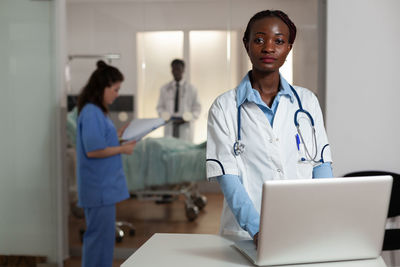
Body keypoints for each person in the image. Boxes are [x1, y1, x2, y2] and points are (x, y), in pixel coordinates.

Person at [206, 10, 333, 246]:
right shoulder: (223, 107)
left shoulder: (307, 101)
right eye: (259, 39)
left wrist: (323, 216)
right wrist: (257, 229)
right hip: (245, 234)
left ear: (289, 47)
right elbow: (228, 178)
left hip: (302, 225)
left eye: (279, 41)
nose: (268, 48)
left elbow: (321, 164)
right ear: (246, 44)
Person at [76, 60, 136, 267]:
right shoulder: (92, 112)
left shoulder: (96, 112)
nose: (117, 94)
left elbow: (100, 141)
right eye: (116, 89)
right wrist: (123, 148)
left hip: (102, 189)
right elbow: (93, 150)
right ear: (103, 87)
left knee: (102, 241)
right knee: (98, 241)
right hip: (98, 189)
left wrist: (119, 135)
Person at [156, 59, 201, 142]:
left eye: (178, 69)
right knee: (169, 149)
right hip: (170, 124)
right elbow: (160, 107)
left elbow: (197, 108)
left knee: (185, 150)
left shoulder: (192, 89)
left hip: (185, 126)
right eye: (174, 69)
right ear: (171, 70)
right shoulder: (165, 89)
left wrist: (188, 118)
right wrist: (165, 116)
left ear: (183, 70)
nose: (176, 72)